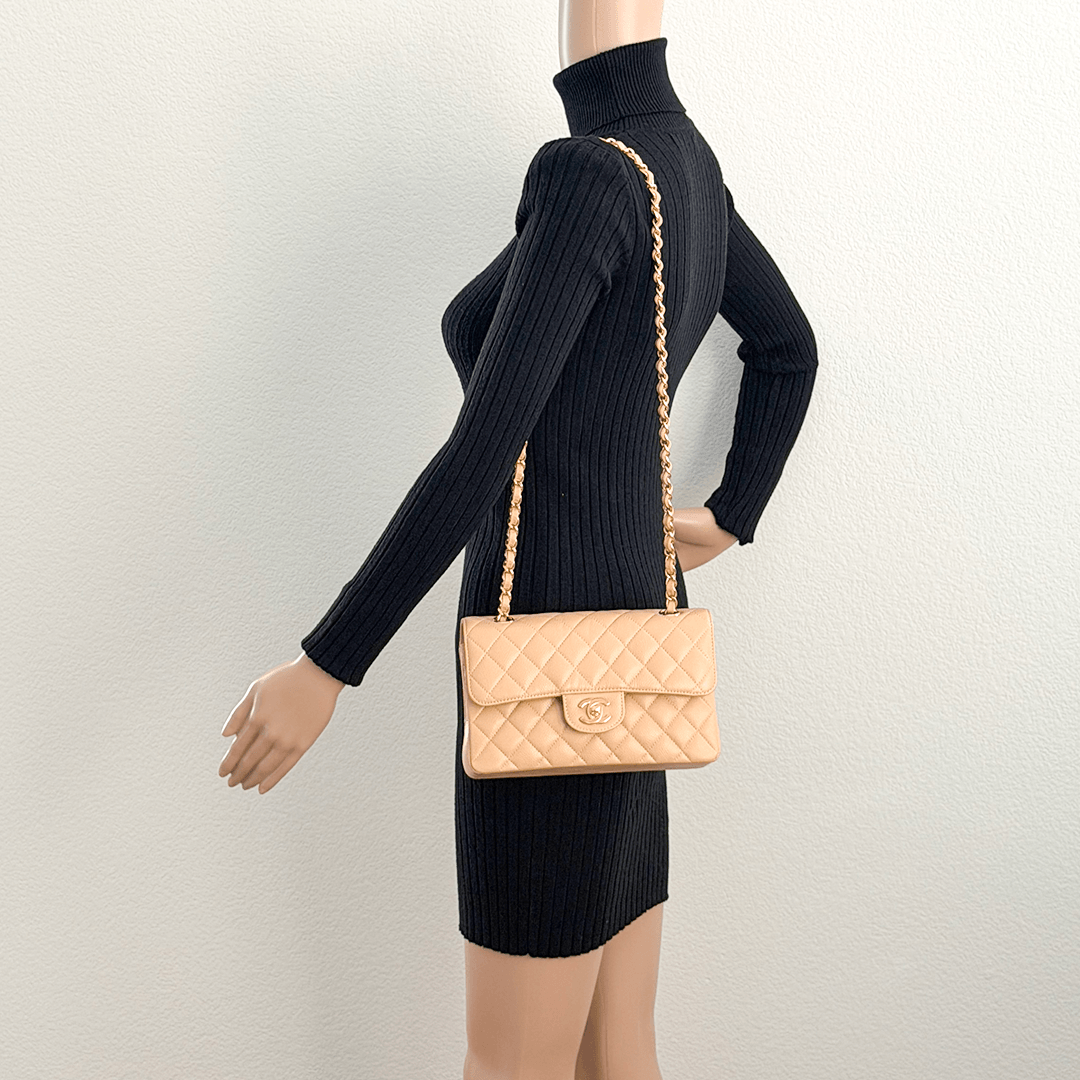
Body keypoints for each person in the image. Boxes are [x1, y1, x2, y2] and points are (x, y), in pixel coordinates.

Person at [220, 4, 818, 1077]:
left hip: (540, 655)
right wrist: (729, 515)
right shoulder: (684, 160)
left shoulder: (590, 174)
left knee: (513, 1065)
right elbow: (790, 348)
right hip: (632, 641)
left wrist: (327, 664)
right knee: (617, 1044)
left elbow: (479, 453)